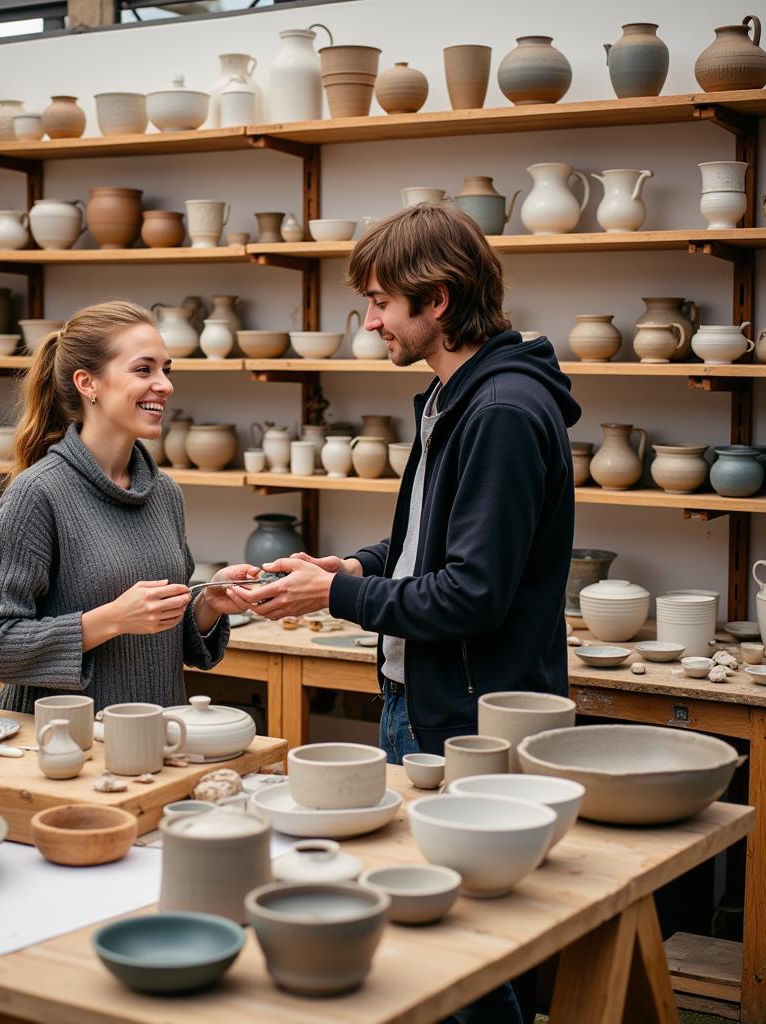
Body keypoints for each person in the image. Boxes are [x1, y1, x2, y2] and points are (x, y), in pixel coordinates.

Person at [225, 203, 580, 1024]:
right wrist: (350, 566)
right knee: (439, 948)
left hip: (462, 719)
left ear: (440, 300)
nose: (372, 321)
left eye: (382, 301)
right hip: (426, 706)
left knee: (467, 963)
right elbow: (425, 547)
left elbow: (472, 596)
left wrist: (337, 597)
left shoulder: (497, 412)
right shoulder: (452, 397)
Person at [0, 300, 255, 713]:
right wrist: (112, 619)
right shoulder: (37, 494)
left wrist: (208, 602)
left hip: (157, 731)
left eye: (166, 370)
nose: (165, 385)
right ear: (89, 384)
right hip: (62, 745)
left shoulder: (164, 493)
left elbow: (165, 634)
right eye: (144, 370)